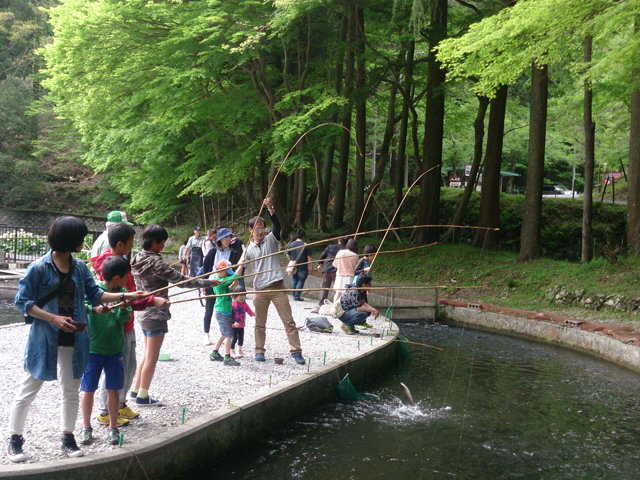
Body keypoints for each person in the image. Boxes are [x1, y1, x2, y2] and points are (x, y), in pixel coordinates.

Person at [9, 216, 144, 463]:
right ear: (69, 239)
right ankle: (15, 439)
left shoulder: (80, 267)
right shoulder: (38, 268)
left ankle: (67, 437)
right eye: (81, 237)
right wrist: (53, 318)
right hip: (45, 339)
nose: (85, 241)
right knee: (29, 388)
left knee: (71, 391)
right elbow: (23, 302)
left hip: (76, 338)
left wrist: (127, 296)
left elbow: (95, 295)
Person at [130, 225, 220, 406]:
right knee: (152, 356)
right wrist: (208, 281)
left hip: (142, 312)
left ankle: (136, 390)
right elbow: (182, 281)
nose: (163, 246)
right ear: (155, 242)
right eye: (162, 243)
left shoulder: (137, 258)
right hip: (156, 314)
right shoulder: (156, 263)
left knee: (147, 354)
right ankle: (142, 396)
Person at [90, 223, 170, 426]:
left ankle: (120, 403)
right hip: (117, 326)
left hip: (127, 323)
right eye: (131, 242)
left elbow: (130, 296)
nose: (134, 245)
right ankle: (106, 410)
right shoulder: (112, 266)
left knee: (129, 367)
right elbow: (123, 298)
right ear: (120, 244)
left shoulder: (122, 261)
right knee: (115, 369)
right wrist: (152, 300)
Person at [238, 198, 305, 365]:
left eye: (262, 228)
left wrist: (270, 209)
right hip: (259, 290)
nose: (260, 232)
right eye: (257, 229)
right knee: (260, 323)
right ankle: (259, 350)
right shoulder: (248, 249)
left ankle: (296, 351)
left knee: (288, 321)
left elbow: (277, 226)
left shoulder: (271, 239)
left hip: (277, 287)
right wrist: (236, 284)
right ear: (250, 230)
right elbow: (241, 271)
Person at [79, 256, 132, 446]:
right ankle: (86, 427)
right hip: (93, 350)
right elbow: (82, 308)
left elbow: (121, 320)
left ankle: (112, 427)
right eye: (126, 276)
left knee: (113, 389)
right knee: (88, 389)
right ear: (117, 277)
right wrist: (94, 309)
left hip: (115, 350)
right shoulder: (94, 291)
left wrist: (124, 309)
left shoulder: (123, 292)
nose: (128, 279)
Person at [201, 227, 244, 345]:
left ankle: (226, 334)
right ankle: (206, 334)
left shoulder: (234, 253)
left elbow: (237, 269)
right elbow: (206, 269)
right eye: (225, 238)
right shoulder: (212, 252)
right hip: (211, 282)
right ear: (220, 239)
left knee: (227, 309)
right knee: (209, 309)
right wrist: (203, 284)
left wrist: (237, 280)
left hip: (226, 283)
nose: (228, 240)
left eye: (229, 237)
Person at [209, 260, 241, 366]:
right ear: (221, 271)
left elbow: (226, 290)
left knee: (223, 333)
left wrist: (232, 286)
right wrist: (241, 265)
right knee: (228, 335)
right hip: (223, 311)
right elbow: (235, 276)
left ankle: (215, 353)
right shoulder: (219, 281)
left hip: (222, 310)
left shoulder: (218, 281)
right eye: (226, 272)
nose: (227, 274)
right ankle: (227, 357)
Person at [311, 237, 347, 314]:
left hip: (327, 269)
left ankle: (321, 305)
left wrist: (319, 264)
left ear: (338, 241)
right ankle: (337, 307)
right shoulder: (345, 250)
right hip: (337, 270)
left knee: (325, 288)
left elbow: (322, 256)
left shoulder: (330, 247)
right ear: (346, 243)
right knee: (338, 290)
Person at [286, 229, 312, 302]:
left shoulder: (291, 244)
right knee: (300, 280)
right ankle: (297, 295)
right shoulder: (305, 245)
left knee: (294, 279)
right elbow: (309, 257)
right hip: (303, 266)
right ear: (303, 236)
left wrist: (291, 261)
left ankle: (294, 294)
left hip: (294, 266)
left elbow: (287, 255)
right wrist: (311, 266)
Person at [231, 286, 254, 359]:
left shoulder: (245, 304)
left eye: (244, 296)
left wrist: (254, 314)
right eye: (240, 296)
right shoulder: (233, 304)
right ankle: (231, 350)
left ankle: (239, 349)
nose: (242, 298)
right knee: (234, 338)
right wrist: (233, 322)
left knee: (241, 338)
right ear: (235, 296)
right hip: (234, 326)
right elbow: (230, 315)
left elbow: (249, 311)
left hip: (241, 325)